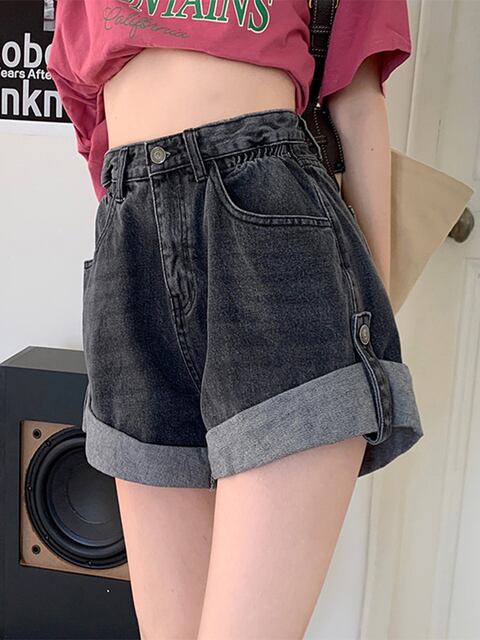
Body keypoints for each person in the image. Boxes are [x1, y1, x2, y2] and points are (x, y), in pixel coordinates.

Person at [47, 1, 424, 638]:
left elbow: (358, 102)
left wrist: (372, 321)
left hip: (272, 233)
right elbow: (93, 122)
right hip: (129, 245)